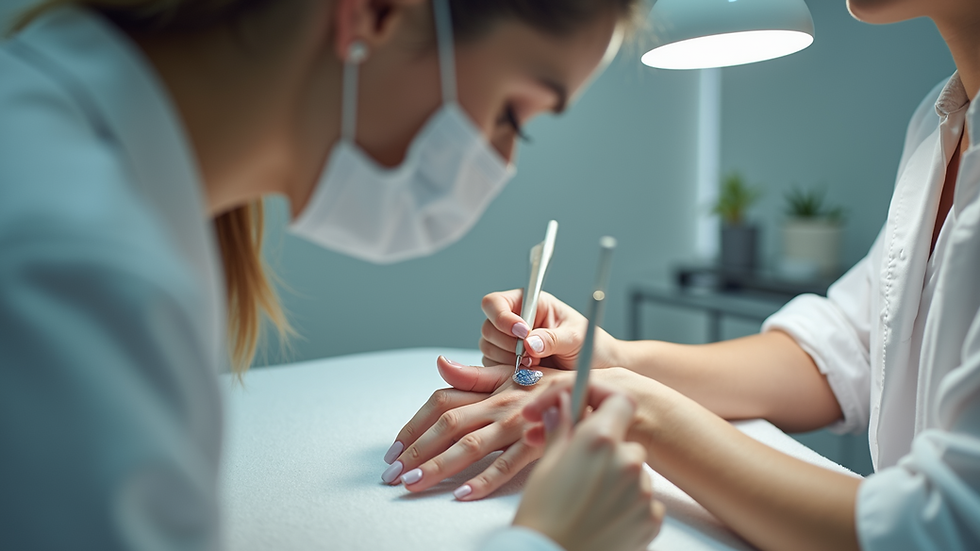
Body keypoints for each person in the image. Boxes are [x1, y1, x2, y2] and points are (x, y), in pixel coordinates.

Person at [0, 0, 664, 550]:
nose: (502, 161)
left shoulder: (95, 164)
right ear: (378, 14)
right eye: (513, 114)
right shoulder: (72, 261)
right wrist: (549, 540)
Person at [389, 0, 980, 549]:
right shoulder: (942, 121)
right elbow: (851, 347)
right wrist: (609, 361)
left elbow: (947, 523)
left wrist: (636, 408)